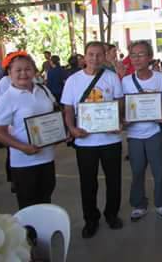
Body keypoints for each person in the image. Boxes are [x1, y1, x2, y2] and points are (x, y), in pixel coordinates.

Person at [62, 41, 124, 239]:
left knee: (114, 181)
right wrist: (72, 128)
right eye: (91, 54)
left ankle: (112, 215)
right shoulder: (73, 80)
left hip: (110, 140)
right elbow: (68, 108)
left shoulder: (112, 77)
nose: (94, 58)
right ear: (84, 56)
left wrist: (118, 121)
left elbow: (119, 103)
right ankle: (91, 219)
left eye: (99, 55)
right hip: (85, 141)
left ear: (104, 56)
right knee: (88, 183)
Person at [0, 53, 57, 208]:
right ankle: (30, 233)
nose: (23, 73)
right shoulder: (6, 98)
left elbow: (54, 113)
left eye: (28, 69)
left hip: (47, 158)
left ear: (34, 71)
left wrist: (62, 132)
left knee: (46, 200)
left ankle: (45, 232)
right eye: (18, 70)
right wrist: (22, 147)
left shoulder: (43, 90)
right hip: (24, 162)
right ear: (10, 73)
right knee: (28, 206)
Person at [121, 41, 162, 220]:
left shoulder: (160, 78)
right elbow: (123, 106)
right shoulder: (125, 81)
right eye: (133, 55)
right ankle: (138, 203)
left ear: (149, 57)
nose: (137, 58)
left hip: (154, 132)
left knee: (159, 170)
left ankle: (161, 201)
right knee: (137, 170)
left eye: (141, 54)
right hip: (134, 134)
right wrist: (123, 120)